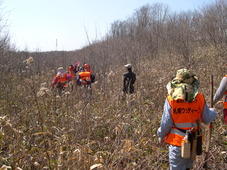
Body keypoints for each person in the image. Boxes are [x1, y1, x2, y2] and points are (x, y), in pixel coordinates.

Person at [157, 68, 216, 170]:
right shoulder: (199, 98)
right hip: (193, 142)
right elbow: (207, 118)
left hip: (177, 143)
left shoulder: (171, 99)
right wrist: (213, 112)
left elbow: (166, 122)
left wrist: (161, 135)